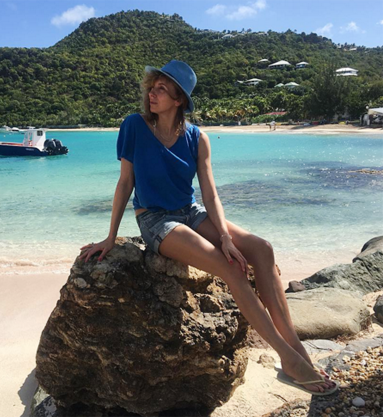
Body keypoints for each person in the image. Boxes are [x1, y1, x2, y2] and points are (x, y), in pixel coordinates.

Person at [80, 60, 338, 396]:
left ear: (179, 100)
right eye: (152, 87)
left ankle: (297, 349)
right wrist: (111, 237)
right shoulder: (134, 126)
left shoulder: (197, 138)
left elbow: (210, 193)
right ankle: (288, 359)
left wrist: (226, 237)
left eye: (162, 89)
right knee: (229, 267)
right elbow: (125, 183)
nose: (152, 93)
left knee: (262, 249)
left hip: (191, 212)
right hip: (156, 219)